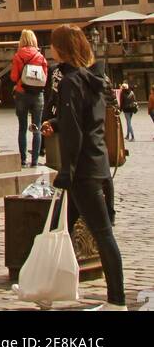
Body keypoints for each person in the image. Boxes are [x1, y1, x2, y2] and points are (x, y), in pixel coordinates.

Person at [41, 24, 126, 310]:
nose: (50, 49)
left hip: (82, 171)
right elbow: (88, 123)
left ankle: (117, 300)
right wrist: (55, 123)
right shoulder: (94, 79)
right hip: (99, 164)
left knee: (102, 234)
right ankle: (45, 287)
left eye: (52, 44)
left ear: (61, 48)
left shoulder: (69, 82)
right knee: (57, 226)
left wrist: (67, 170)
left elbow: (76, 131)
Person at [9, 29, 48, 168]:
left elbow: (13, 77)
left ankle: (23, 160)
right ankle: (35, 161)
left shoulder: (18, 56)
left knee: (22, 127)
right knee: (37, 128)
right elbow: (45, 78)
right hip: (37, 94)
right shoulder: (40, 56)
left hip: (22, 93)